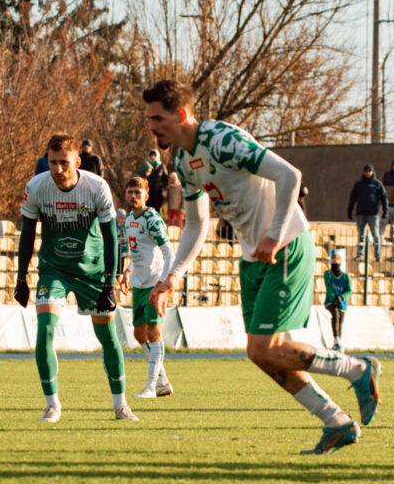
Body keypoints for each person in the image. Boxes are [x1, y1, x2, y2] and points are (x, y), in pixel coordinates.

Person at [144, 78, 379, 455]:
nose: (152, 127)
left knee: (268, 347)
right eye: (149, 119)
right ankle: (336, 422)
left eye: (157, 118)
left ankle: (357, 369)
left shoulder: (223, 140)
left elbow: (290, 176)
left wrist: (273, 234)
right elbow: (195, 223)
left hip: (285, 246)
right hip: (254, 254)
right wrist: (173, 275)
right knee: (259, 353)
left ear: (181, 114)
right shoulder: (185, 162)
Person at [14, 134, 131, 423]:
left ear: (77, 162)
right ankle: (52, 405)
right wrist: (20, 278)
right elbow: (27, 235)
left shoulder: (97, 187)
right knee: (45, 330)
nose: (57, 169)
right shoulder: (36, 187)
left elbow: (111, 236)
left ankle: (121, 405)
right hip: (54, 270)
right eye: (52, 163)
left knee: (108, 338)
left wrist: (109, 282)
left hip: (91, 271)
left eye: (64, 163)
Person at [118, 176, 176, 399]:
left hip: (154, 282)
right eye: (130, 191)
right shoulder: (130, 219)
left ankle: (151, 386)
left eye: (138, 192)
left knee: (154, 332)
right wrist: (128, 270)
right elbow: (137, 250)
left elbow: (169, 253)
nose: (133, 196)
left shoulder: (152, 219)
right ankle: (162, 381)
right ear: (125, 194)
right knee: (139, 332)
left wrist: (162, 284)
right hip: (139, 284)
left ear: (146, 196)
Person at [347, 164, 387, 261]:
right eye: (366, 171)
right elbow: (353, 198)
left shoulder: (377, 184)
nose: (367, 173)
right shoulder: (358, 184)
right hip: (360, 213)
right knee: (361, 235)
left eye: (369, 171)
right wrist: (349, 210)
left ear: (372, 172)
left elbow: (384, 197)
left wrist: (385, 211)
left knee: (375, 236)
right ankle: (360, 255)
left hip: (373, 214)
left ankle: (377, 256)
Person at [323, 250, 351, 352]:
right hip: (330, 301)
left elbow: (349, 290)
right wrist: (333, 298)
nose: (334, 264)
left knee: (340, 321)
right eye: (332, 262)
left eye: (336, 262)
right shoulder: (328, 274)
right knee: (335, 314)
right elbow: (328, 286)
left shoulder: (346, 276)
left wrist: (341, 297)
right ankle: (335, 340)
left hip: (342, 302)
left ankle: (339, 341)